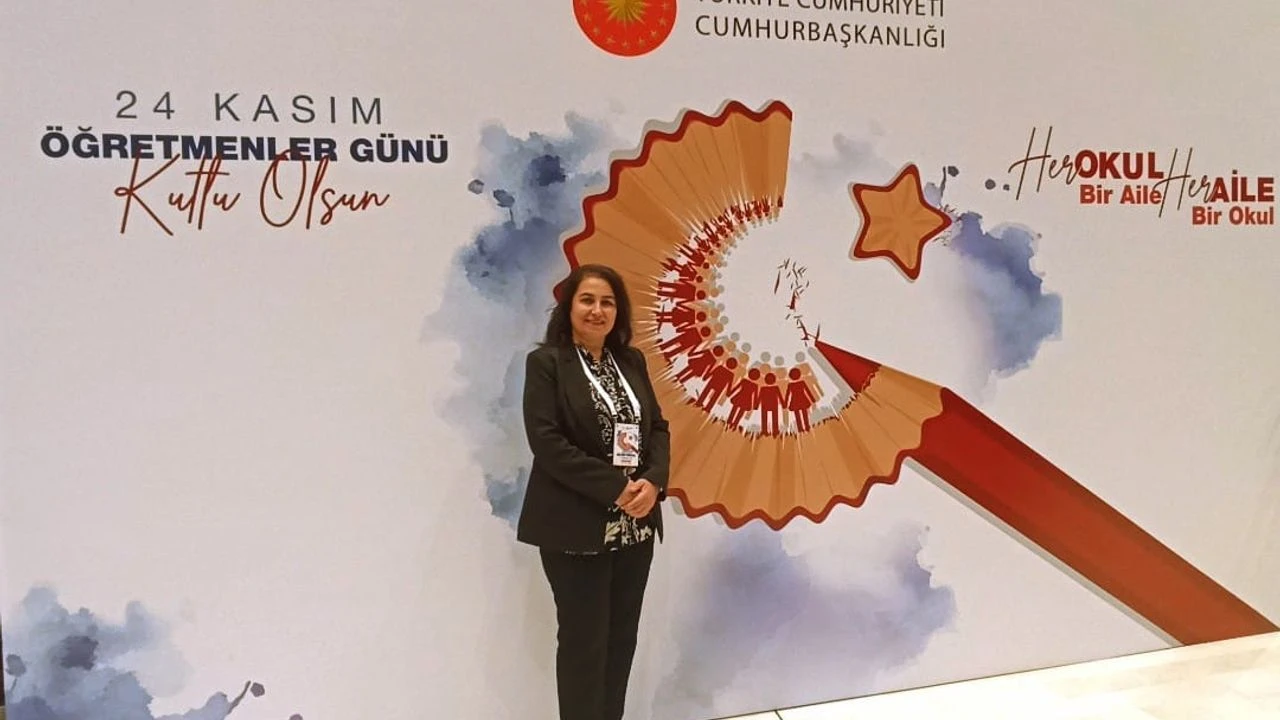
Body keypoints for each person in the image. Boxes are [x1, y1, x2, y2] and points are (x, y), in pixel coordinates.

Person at [518, 263, 671, 720]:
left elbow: (657, 428)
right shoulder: (547, 364)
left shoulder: (631, 361)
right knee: (584, 644)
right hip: (576, 528)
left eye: (607, 302)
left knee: (621, 641)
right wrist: (617, 488)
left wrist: (653, 481)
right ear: (568, 307)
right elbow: (547, 443)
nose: (597, 310)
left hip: (635, 526)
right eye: (587, 300)